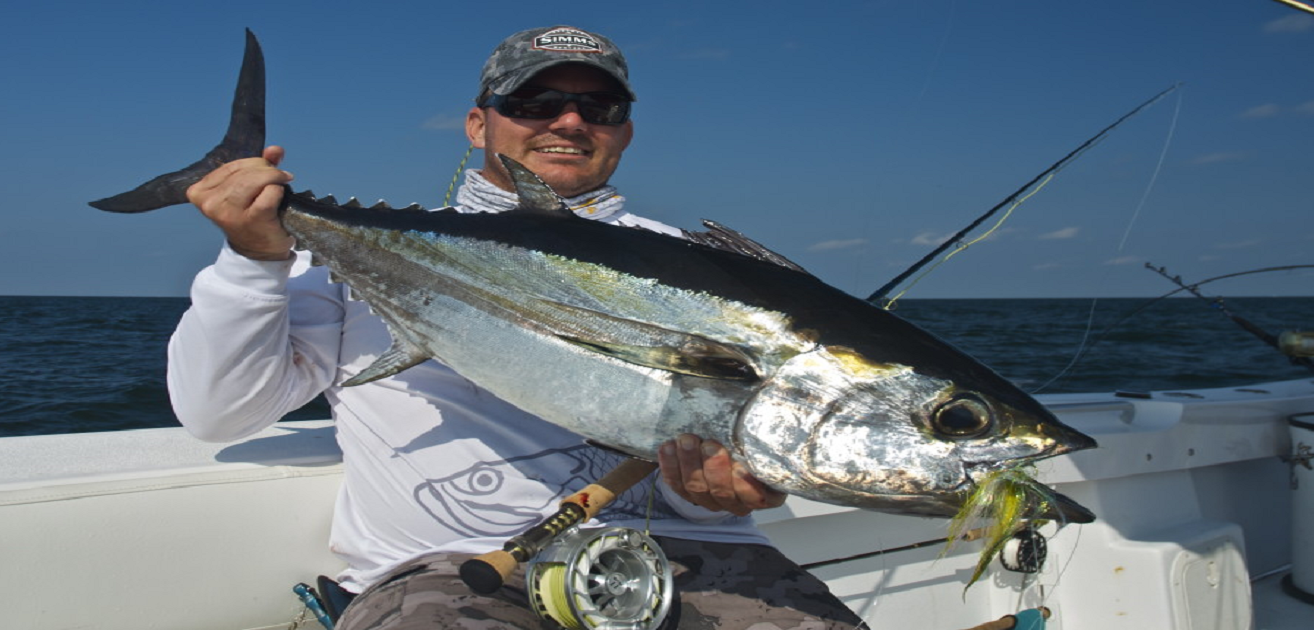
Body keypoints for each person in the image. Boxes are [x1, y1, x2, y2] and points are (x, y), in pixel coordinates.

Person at [170, 24, 865, 629]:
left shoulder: (707, 273)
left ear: (624, 129)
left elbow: (718, 474)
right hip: (445, 573)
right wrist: (250, 258)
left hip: (695, 562)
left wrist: (715, 494)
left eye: (599, 106)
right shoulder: (356, 259)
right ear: (479, 125)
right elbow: (219, 414)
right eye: (534, 103)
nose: (568, 122)